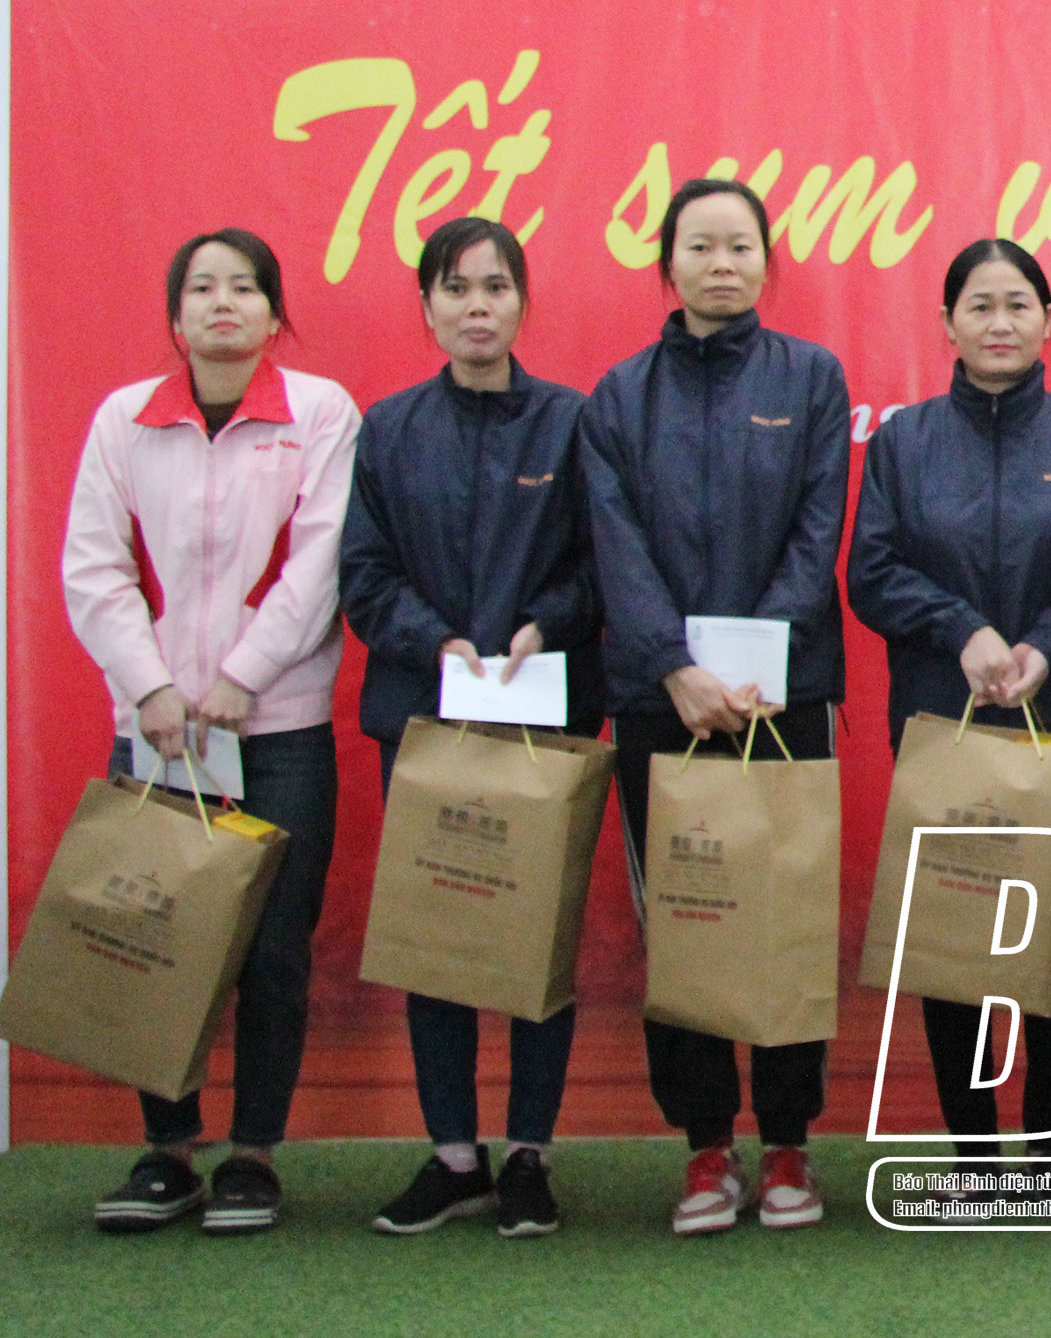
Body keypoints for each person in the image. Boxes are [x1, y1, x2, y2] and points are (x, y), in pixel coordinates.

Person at [66, 228, 361, 1235]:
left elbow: (320, 561)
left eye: (245, 287)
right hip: (157, 731)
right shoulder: (125, 421)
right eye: (202, 287)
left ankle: (252, 1153)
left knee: (274, 949)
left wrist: (245, 676)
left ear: (275, 315)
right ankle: (168, 1149)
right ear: (176, 316)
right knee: (159, 939)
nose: (222, 302)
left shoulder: (319, 412)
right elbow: (95, 567)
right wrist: (149, 687)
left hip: (277, 729)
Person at [581, 178, 852, 1235]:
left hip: (785, 692)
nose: (722, 263)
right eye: (701, 245)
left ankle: (786, 1140)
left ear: (767, 262)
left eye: (740, 245)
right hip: (663, 702)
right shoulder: (619, 395)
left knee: (784, 911)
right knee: (686, 920)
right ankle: (704, 1143)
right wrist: (674, 668)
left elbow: (818, 527)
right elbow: (615, 545)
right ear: (668, 264)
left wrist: (752, 662)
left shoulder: (811, 378)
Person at [342, 216, 605, 1237]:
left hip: (541, 717)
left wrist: (548, 623)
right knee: (438, 936)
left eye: (496, 287)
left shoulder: (573, 422)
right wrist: (437, 640)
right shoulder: (390, 428)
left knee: (538, 938)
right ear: (428, 307)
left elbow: (602, 565)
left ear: (523, 302)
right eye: (456, 289)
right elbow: (364, 573)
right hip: (425, 716)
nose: (478, 307)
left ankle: (531, 1153)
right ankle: (454, 1154)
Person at [849, 237, 1051, 1184]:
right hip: (948, 722)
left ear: (1049, 320)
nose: (1000, 322)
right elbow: (872, 571)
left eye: (1018, 304)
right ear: (948, 324)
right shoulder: (903, 442)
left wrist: (1047, 643)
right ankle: (974, 1149)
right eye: (980, 305)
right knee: (956, 931)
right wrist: (960, 628)